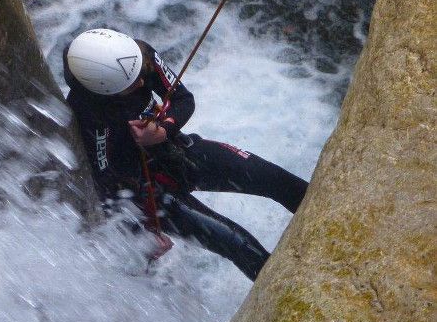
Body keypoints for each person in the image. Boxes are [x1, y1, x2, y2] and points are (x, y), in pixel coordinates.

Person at [64, 28, 308, 281]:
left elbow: (183, 98)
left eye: (139, 76)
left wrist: (163, 130)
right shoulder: (89, 116)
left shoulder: (138, 56)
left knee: (274, 179)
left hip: (174, 151)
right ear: (106, 92)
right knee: (237, 243)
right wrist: (139, 232)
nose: (140, 83)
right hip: (146, 191)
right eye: (131, 85)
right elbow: (107, 183)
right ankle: (290, 292)